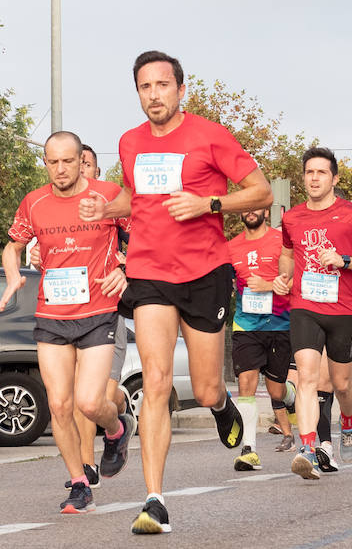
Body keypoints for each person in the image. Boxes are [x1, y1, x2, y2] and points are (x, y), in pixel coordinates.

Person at [80, 51, 272, 536]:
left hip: (205, 273)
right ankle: (154, 500)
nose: (154, 95)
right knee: (158, 382)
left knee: (206, 386)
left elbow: (261, 191)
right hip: (149, 273)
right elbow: (133, 197)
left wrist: (210, 202)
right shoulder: (130, 142)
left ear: (180, 90)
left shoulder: (209, 135)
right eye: (145, 88)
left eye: (162, 86)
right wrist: (104, 208)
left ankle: (221, 406)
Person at [2, 131, 134, 515]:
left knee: (90, 401)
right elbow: (13, 245)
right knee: (59, 405)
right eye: (52, 162)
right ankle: (79, 483)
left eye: (67, 161)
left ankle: (117, 428)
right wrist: (13, 274)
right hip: (52, 314)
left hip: (98, 312)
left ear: (82, 161)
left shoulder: (108, 196)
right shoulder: (34, 202)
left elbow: (143, 235)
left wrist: (126, 269)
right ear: (45, 162)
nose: (60, 169)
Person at [274, 147, 352, 479]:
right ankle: (308, 446)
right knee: (307, 377)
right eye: (309, 172)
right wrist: (283, 277)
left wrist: (345, 261)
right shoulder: (292, 217)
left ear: (334, 178)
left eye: (321, 172)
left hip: (344, 309)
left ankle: (349, 419)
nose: (314, 178)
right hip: (305, 307)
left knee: (341, 384)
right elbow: (287, 255)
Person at [71, 144, 132, 489]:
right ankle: (87, 465)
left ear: (95, 170)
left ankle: (122, 415)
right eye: (74, 163)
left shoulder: (112, 205)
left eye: (86, 163)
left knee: (101, 400)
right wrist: (35, 255)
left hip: (107, 310)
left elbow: (142, 237)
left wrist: (125, 267)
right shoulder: (59, 209)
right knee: (82, 398)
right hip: (69, 315)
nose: (80, 169)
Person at [227, 203, 294, 469]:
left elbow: (294, 281)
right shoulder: (231, 247)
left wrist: (269, 285)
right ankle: (249, 449)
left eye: (257, 208)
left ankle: (292, 397)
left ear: (266, 212)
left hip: (279, 325)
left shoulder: (281, 242)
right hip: (246, 325)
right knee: (246, 384)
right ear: (241, 213)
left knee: (276, 390)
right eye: (246, 208)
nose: (251, 212)